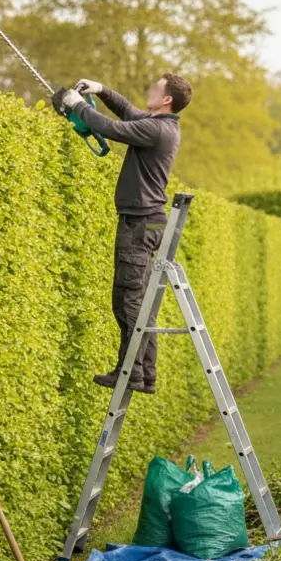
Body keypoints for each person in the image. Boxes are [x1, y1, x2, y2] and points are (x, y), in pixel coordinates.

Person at [52, 74, 192, 394]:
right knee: (139, 302)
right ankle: (142, 374)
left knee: (129, 301)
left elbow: (113, 129)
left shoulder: (156, 129)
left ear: (167, 98)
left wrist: (77, 106)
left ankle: (130, 372)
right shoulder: (158, 124)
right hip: (145, 220)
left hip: (139, 222)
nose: (150, 90)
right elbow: (126, 111)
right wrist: (101, 91)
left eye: (156, 88)